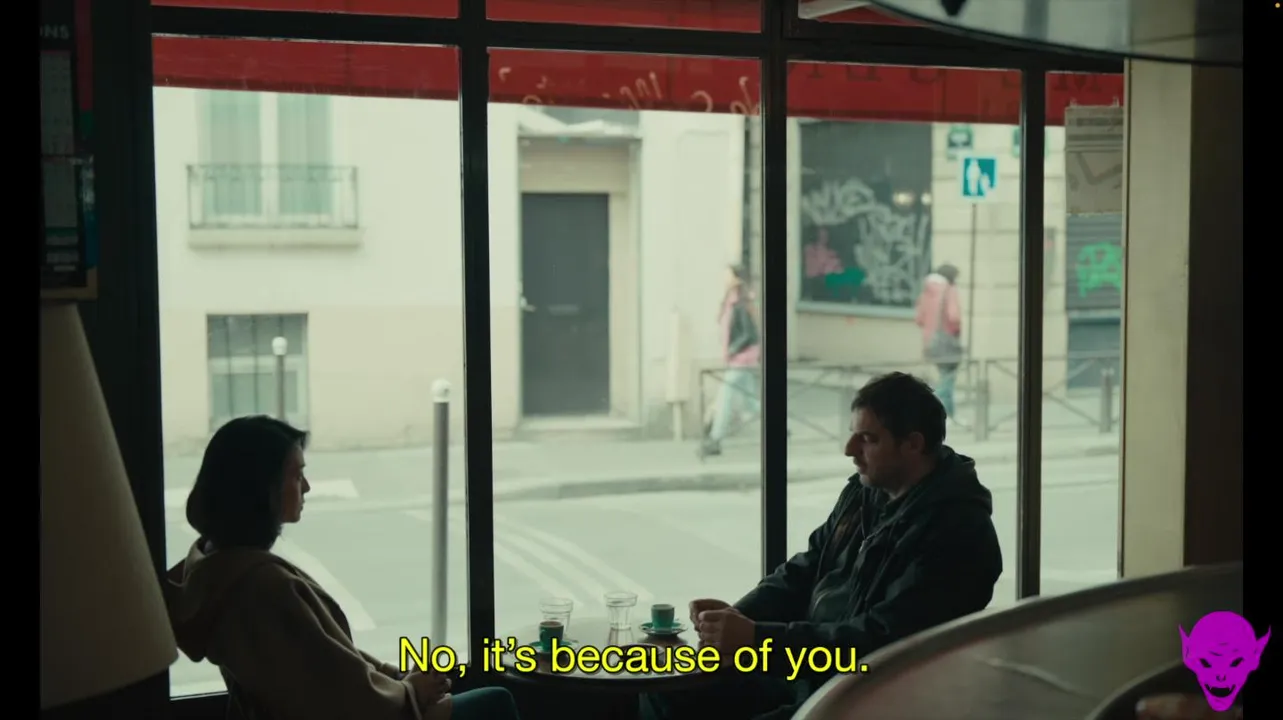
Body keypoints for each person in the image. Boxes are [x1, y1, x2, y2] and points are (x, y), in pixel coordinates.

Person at [643, 372, 1003, 720]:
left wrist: (757, 638)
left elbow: (881, 641)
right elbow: (805, 569)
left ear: (913, 444)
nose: (850, 450)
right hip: (806, 670)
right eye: (852, 435)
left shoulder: (959, 532)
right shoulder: (865, 493)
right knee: (662, 694)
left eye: (868, 439)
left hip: (863, 695)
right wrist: (737, 619)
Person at [164, 415, 521, 720]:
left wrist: (398, 679)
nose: (307, 487)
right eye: (296, 475)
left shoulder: (214, 567)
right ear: (261, 489)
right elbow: (345, 700)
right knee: (495, 703)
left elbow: (327, 668)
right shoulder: (263, 587)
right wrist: (411, 692)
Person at [700, 264, 761, 458]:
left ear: (735, 278)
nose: (724, 279)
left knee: (724, 399)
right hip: (740, 358)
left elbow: (750, 334)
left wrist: (732, 351)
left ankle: (715, 440)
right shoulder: (731, 300)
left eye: (727, 275)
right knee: (751, 402)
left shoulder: (740, 302)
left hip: (741, 358)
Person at [915, 263, 963, 418]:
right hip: (947, 341)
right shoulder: (949, 290)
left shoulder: (926, 290)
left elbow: (919, 319)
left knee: (945, 376)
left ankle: (950, 414)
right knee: (948, 379)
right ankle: (932, 408)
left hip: (930, 341)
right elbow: (954, 316)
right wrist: (955, 330)